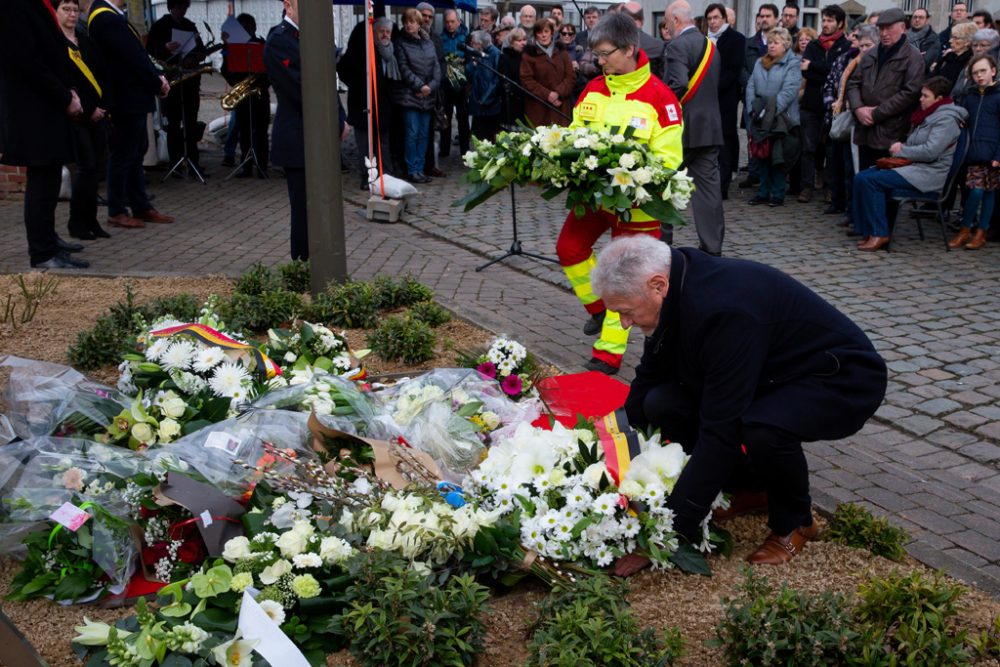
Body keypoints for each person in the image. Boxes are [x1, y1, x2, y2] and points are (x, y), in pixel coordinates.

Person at [591, 234, 887, 564]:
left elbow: (721, 431)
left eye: (627, 312)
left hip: (838, 376)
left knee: (762, 427)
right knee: (663, 403)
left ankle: (796, 522)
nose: (623, 323)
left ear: (658, 285)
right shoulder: (677, 284)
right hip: (773, 370)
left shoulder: (723, 311)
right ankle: (752, 488)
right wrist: (608, 442)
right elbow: (651, 375)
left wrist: (666, 534)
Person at [555, 12, 684, 374]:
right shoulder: (594, 87)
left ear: (629, 49)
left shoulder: (660, 97)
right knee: (569, 248)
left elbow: (669, 158)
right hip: (595, 196)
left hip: (638, 203)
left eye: (605, 53)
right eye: (596, 54)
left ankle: (608, 355)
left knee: (626, 278)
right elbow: (575, 134)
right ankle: (599, 309)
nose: (598, 60)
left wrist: (640, 177)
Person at [1, 0, 89, 268]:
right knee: (41, 180)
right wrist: (64, 97)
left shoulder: (39, 4)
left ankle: (50, 240)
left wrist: (70, 89)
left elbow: (55, 53)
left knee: (50, 176)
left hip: (48, 106)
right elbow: (27, 61)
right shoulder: (14, 6)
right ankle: (41, 252)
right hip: (34, 110)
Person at [851, 76, 966, 251]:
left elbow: (930, 152)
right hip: (915, 167)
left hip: (928, 174)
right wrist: (904, 146)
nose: (920, 99)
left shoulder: (946, 120)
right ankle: (866, 230)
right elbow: (922, 145)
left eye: (925, 96)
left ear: (939, 99)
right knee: (862, 176)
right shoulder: (931, 114)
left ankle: (879, 233)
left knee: (871, 181)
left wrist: (901, 150)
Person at [88, 0, 174, 230]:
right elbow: (132, 57)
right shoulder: (105, 17)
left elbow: (138, 54)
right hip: (123, 98)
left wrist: (157, 75)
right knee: (123, 155)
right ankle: (117, 210)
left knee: (136, 152)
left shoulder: (114, 16)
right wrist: (156, 82)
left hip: (132, 97)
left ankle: (140, 205)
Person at [663, 0, 725, 255]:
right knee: (709, 191)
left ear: (677, 21)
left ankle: (661, 244)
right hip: (710, 128)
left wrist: (658, 104)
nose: (667, 29)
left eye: (667, 23)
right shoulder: (712, 46)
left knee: (663, 184)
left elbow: (678, 83)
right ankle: (712, 248)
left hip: (682, 130)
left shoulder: (677, 45)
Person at [53, 0, 111, 241]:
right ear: (56, 12)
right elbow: (66, 84)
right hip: (77, 118)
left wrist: (102, 106)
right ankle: (76, 223)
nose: (72, 15)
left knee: (96, 170)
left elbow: (100, 72)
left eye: (75, 10)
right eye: (66, 9)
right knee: (85, 170)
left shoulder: (84, 39)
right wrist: (88, 110)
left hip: (97, 113)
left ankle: (92, 221)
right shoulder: (56, 44)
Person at [846, 8, 924, 171]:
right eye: (881, 28)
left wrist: (876, 113)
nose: (884, 33)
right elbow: (853, 83)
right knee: (863, 178)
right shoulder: (871, 54)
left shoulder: (913, 57)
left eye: (889, 28)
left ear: (902, 28)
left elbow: (910, 93)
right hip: (864, 131)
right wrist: (858, 108)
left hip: (891, 132)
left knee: (883, 183)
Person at [147, 0, 207, 175]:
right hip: (172, 82)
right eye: (180, 7)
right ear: (172, 7)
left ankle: (193, 160)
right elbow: (150, 52)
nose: (183, 10)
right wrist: (165, 48)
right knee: (173, 123)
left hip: (190, 82)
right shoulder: (160, 26)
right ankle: (175, 162)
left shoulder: (190, 26)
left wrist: (197, 51)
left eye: (185, 7)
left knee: (190, 121)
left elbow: (201, 51)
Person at [797, 5, 850, 204]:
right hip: (811, 104)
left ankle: (830, 188)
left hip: (833, 106)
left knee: (830, 149)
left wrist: (815, 67)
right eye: (824, 20)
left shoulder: (845, 46)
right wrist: (821, 70)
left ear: (840, 23)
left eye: (830, 21)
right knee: (808, 148)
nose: (826, 24)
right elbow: (805, 71)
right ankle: (807, 187)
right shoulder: (813, 45)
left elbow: (839, 73)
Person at [824, 25, 877, 219]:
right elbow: (833, 83)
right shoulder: (850, 62)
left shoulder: (876, 65)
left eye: (868, 45)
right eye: (861, 45)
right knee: (843, 167)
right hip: (845, 118)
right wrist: (834, 104)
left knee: (856, 170)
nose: (864, 49)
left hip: (865, 122)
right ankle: (847, 208)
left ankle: (856, 212)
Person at [746, 27, 801, 207]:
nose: (772, 46)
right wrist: (753, 109)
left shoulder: (792, 64)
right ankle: (763, 191)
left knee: (777, 157)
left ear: (785, 45)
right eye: (770, 42)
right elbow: (751, 86)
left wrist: (769, 112)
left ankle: (777, 193)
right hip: (760, 115)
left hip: (781, 119)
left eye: (776, 43)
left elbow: (789, 91)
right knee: (762, 155)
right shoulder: (760, 63)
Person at [339, 16, 397, 189]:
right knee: (365, 143)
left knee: (384, 142)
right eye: (381, 32)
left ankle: (386, 174)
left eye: (388, 32)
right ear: (373, 33)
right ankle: (367, 176)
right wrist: (358, 87)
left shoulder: (390, 52)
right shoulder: (361, 50)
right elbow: (343, 68)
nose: (385, 35)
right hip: (362, 103)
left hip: (384, 104)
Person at [948, 55, 999, 250]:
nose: (979, 76)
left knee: (989, 193)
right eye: (975, 73)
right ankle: (965, 228)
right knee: (976, 191)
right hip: (974, 152)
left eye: (983, 71)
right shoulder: (970, 96)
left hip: (993, 153)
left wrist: (998, 156)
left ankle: (981, 232)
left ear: (993, 71)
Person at [393, 7, 442, 183]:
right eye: (406, 22)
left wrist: (431, 86)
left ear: (419, 24)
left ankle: (420, 168)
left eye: (412, 22)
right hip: (410, 96)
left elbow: (437, 67)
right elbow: (404, 68)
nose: (408, 25)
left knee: (423, 134)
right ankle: (412, 169)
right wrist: (420, 86)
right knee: (411, 133)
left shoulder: (428, 43)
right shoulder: (400, 43)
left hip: (427, 96)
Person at [222, 13, 270, 179]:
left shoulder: (263, 45)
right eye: (243, 29)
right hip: (243, 96)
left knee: (261, 132)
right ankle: (246, 165)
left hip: (260, 94)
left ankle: (262, 165)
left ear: (254, 28)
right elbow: (224, 68)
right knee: (244, 131)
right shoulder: (234, 48)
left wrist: (262, 82)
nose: (246, 32)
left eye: (249, 28)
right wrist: (237, 84)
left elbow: (271, 70)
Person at [705, 3, 745, 200]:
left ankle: (723, 185)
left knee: (726, 140)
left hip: (725, 98)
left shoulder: (736, 39)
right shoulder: (704, 40)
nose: (712, 22)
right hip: (705, 99)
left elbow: (733, 70)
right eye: (709, 18)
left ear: (724, 19)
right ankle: (709, 181)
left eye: (715, 18)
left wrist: (713, 87)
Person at [740, 3, 779, 189]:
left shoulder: (782, 43)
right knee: (753, 136)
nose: (764, 19)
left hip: (773, 98)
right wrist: (752, 83)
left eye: (768, 16)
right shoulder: (749, 43)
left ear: (776, 19)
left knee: (773, 138)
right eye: (761, 16)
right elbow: (741, 68)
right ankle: (754, 173)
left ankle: (773, 179)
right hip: (752, 97)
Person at [520, 18, 575, 127]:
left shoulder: (562, 53)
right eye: (540, 32)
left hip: (561, 106)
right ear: (536, 35)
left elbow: (571, 76)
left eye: (546, 31)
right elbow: (526, 80)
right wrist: (548, 94)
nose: (543, 35)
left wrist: (557, 93)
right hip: (538, 107)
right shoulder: (529, 55)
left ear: (552, 33)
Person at [439, 9, 469, 158]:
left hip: (461, 82)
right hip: (446, 83)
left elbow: (468, 59)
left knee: (463, 118)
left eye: (452, 22)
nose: (450, 25)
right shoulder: (441, 37)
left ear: (459, 21)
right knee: (446, 116)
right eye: (447, 22)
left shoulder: (466, 36)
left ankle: (465, 150)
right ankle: (444, 150)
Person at [465, 30, 502, 142]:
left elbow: (496, 80)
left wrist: (485, 98)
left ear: (480, 44)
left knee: (492, 137)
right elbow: (469, 75)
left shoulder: (495, 53)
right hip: (478, 103)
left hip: (490, 104)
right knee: (479, 138)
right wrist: (473, 64)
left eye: (473, 43)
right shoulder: (475, 54)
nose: (471, 46)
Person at [619, 2, 666, 80]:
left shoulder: (611, 44)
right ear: (642, 21)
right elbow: (663, 77)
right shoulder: (658, 45)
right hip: (649, 89)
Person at [930, 21, 977, 87]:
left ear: (967, 41)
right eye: (951, 37)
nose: (950, 41)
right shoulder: (947, 57)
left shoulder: (971, 61)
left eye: (955, 38)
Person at [498, 27, 527, 128]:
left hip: (527, 104)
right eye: (519, 40)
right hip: (512, 104)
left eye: (524, 40)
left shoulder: (527, 56)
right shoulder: (505, 57)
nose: (523, 43)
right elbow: (505, 81)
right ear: (511, 42)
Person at [907, 8, 940, 72]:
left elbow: (925, 63)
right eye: (915, 17)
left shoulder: (933, 39)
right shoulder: (904, 36)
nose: (917, 20)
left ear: (926, 20)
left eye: (921, 17)